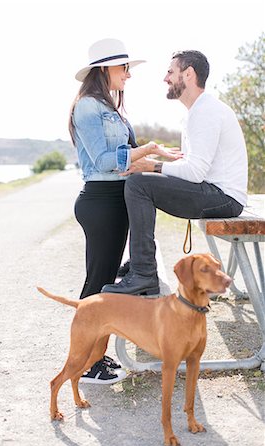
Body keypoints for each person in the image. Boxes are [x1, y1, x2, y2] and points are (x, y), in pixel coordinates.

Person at [70, 38, 180, 384]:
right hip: (101, 202)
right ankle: (87, 364)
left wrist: (150, 159)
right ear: (104, 69)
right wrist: (146, 149)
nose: (129, 75)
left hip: (116, 200)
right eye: (124, 68)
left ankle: (95, 359)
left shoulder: (112, 108)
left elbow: (126, 159)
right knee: (97, 286)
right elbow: (103, 161)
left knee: (105, 284)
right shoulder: (88, 107)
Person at [102, 50, 248, 296]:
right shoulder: (198, 111)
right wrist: (151, 161)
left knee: (139, 185)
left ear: (188, 74)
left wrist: (152, 167)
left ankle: (143, 272)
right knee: (140, 181)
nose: (165, 78)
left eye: (171, 71)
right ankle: (141, 263)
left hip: (224, 198)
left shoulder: (206, 111)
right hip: (217, 193)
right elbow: (188, 164)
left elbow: (195, 172)